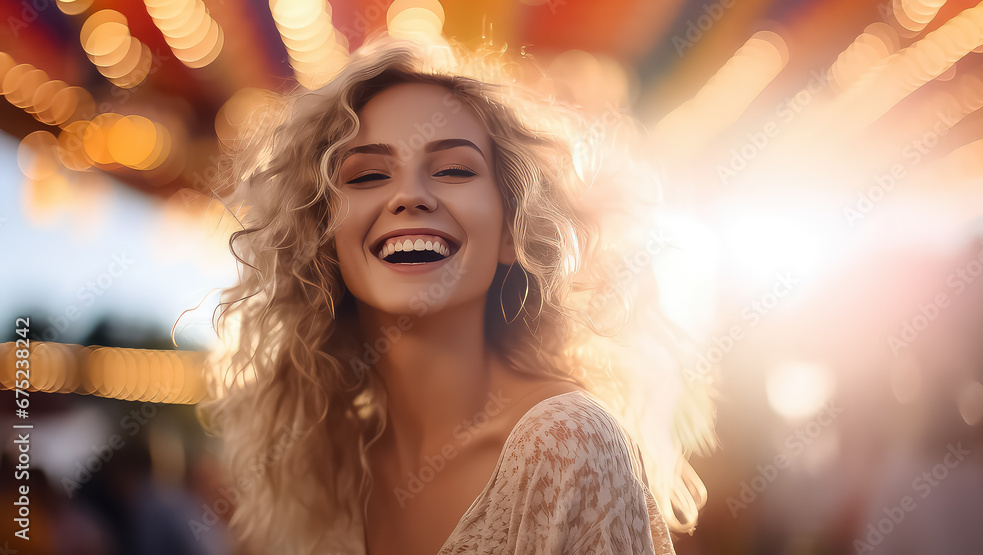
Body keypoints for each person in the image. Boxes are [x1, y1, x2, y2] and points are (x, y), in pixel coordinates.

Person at [197, 31, 714, 554]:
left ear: (513, 229)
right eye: (369, 174)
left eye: (452, 170)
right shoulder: (326, 470)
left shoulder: (566, 442)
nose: (410, 195)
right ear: (321, 238)